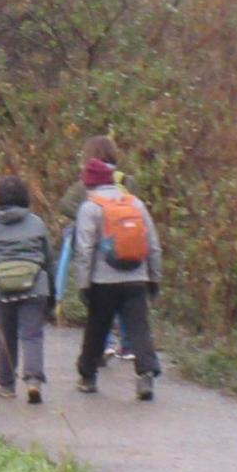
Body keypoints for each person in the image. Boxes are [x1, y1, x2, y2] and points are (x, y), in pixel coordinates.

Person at [71, 152, 163, 401]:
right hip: (136, 277)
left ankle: (88, 377)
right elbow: (153, 244)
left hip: (103, 281)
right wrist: (154, 277)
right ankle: (145, 375)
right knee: (139, 328)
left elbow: (85, 249)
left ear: (90, 183)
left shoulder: (90, 207)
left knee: (97, 328)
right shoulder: (135, 204)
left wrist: (83, 284)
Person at [0, 175, 55, 403]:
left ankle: (6, 384)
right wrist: (52, 292)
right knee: (32, 335)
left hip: (1, 291)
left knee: (6, 336)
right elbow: (48, 261)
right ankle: (33, 381)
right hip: (34, 286)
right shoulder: (37, 223)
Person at [58, 136, 135, 365]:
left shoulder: (85, 182)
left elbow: (64, 205)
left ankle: (106, 343)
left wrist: (85, 215)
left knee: (100, 297)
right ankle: (128, 345)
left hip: (99, 248)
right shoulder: (126, 180)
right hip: (125, 242)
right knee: (125, 296)